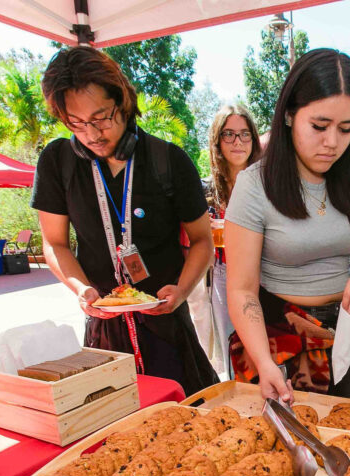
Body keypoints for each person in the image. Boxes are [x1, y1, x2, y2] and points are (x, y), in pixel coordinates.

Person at [32, 46, 218, 394]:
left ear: (123, 101)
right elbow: (55, 243)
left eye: (102, 117)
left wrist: (182, 291)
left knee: (183, 421)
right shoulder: (58, 162)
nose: (92, 134)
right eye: (77, 123)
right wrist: (81, 289)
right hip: (104, 330)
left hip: (167, 326)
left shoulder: (168, 160)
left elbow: (202, 241)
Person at [225, 48, 350, 402]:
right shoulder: (255, 185)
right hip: (280, 342)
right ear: (289, 115)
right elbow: (241, 290)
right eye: (319, 126)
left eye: (346, 129)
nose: (332, 142)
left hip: (345, 334)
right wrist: (264, 361)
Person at [188, 104, 264, 377]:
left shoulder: (266, 185)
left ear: (253, 140)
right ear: (217, 140)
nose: (237, 142)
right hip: (223, 273)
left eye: (245, 134)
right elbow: (191, 240)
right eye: (229, 134)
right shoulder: (204, 189)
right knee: (232, 344)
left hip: (263, 271)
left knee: (267, 343)